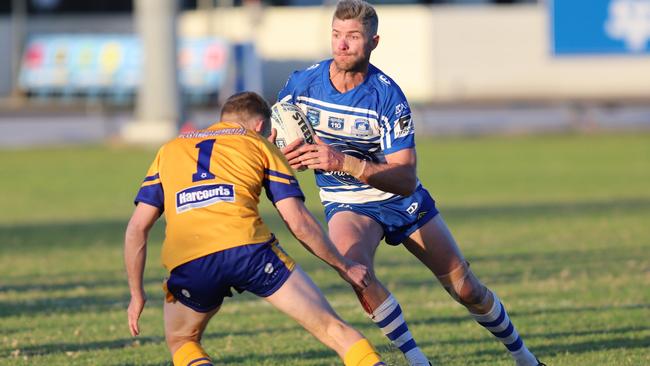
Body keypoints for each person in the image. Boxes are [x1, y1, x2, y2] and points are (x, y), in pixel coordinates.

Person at [276, 1, 544, 365]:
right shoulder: (301, 84)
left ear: (373, 42)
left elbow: (404, 178)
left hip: (400, 199)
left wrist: (342, 161)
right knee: (357, 273)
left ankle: (525, 357)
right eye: (337, 35)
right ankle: (418, 360)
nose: (341, 45)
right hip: (347, 202)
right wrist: (288, 156)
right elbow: (279, 138)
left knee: (466, 289)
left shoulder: (387, 96)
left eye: (353, 37)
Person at [124, 91, 386, 366]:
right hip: (249, 250)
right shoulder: (260, 146)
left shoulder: (170, 149)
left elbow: (137, 229)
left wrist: (136, 294)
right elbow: (297, 221)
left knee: (182, 341)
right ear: (261, 127)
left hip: (190, 258)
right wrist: (344, 266)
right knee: (334, 331)